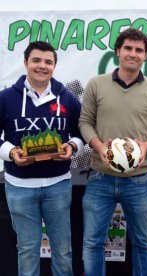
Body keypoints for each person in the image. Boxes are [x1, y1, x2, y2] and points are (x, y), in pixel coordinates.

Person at [79, 28, 147, 276]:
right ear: (118, 51)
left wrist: (146, 146)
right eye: (128, 48)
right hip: (100, 178)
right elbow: (85, 122)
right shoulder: (96, 84)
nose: (133, 53)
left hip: (139, 180)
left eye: (139, 50)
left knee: (142, 243)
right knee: (92, 243)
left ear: (146, 56)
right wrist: (100, 147)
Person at [0, 41, 84, 276]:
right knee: (27, 249)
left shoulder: (67, 98)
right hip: (19, 187)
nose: (42, 66)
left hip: (58, 185)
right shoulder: (6, 98)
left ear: (54, 66)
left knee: (63, 249)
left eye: (48, 62)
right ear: (25, 62)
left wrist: (72, 146)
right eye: (36, 60)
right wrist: (11, 152)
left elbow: (81, 132)